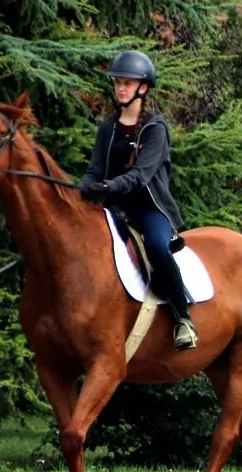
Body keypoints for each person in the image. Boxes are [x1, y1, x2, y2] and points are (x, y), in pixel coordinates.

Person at [79, 50, 198, 350]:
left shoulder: (155, 129)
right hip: (112, 207)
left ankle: (183, 317)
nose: (120, 88)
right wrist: (82, 189)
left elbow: (141, 176)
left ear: (143, 88)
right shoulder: (108, 128)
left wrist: (106, 186)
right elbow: (94, 169)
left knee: (158, 249)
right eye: (118, 82)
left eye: (127, 83)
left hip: (148, 209)